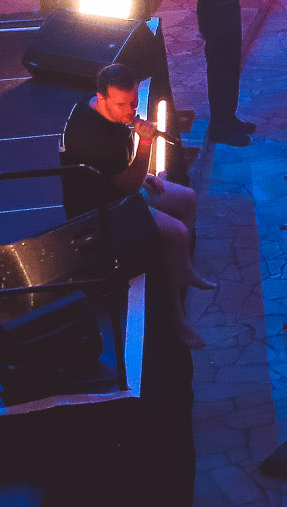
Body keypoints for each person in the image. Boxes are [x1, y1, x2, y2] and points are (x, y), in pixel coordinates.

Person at [58, 62, 207, 344]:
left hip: (114, 187)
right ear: (102, 98)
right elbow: (129, 186)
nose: (131, 110)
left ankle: (183, 268)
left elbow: (116, 170)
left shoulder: (95, 105)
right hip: (100, 212)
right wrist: (146, 145)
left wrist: (139, 173)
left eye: (134, 101)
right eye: (122, 104)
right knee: (176, 232)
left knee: (187, 198)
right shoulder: (93, 137)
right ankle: (176, 321)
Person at [195, 0, 254, 146]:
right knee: (220, 76)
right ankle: (220, 127)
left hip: (229, 20)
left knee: (230, 72)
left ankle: (229, 118)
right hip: (219, 25)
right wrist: (207, 30)